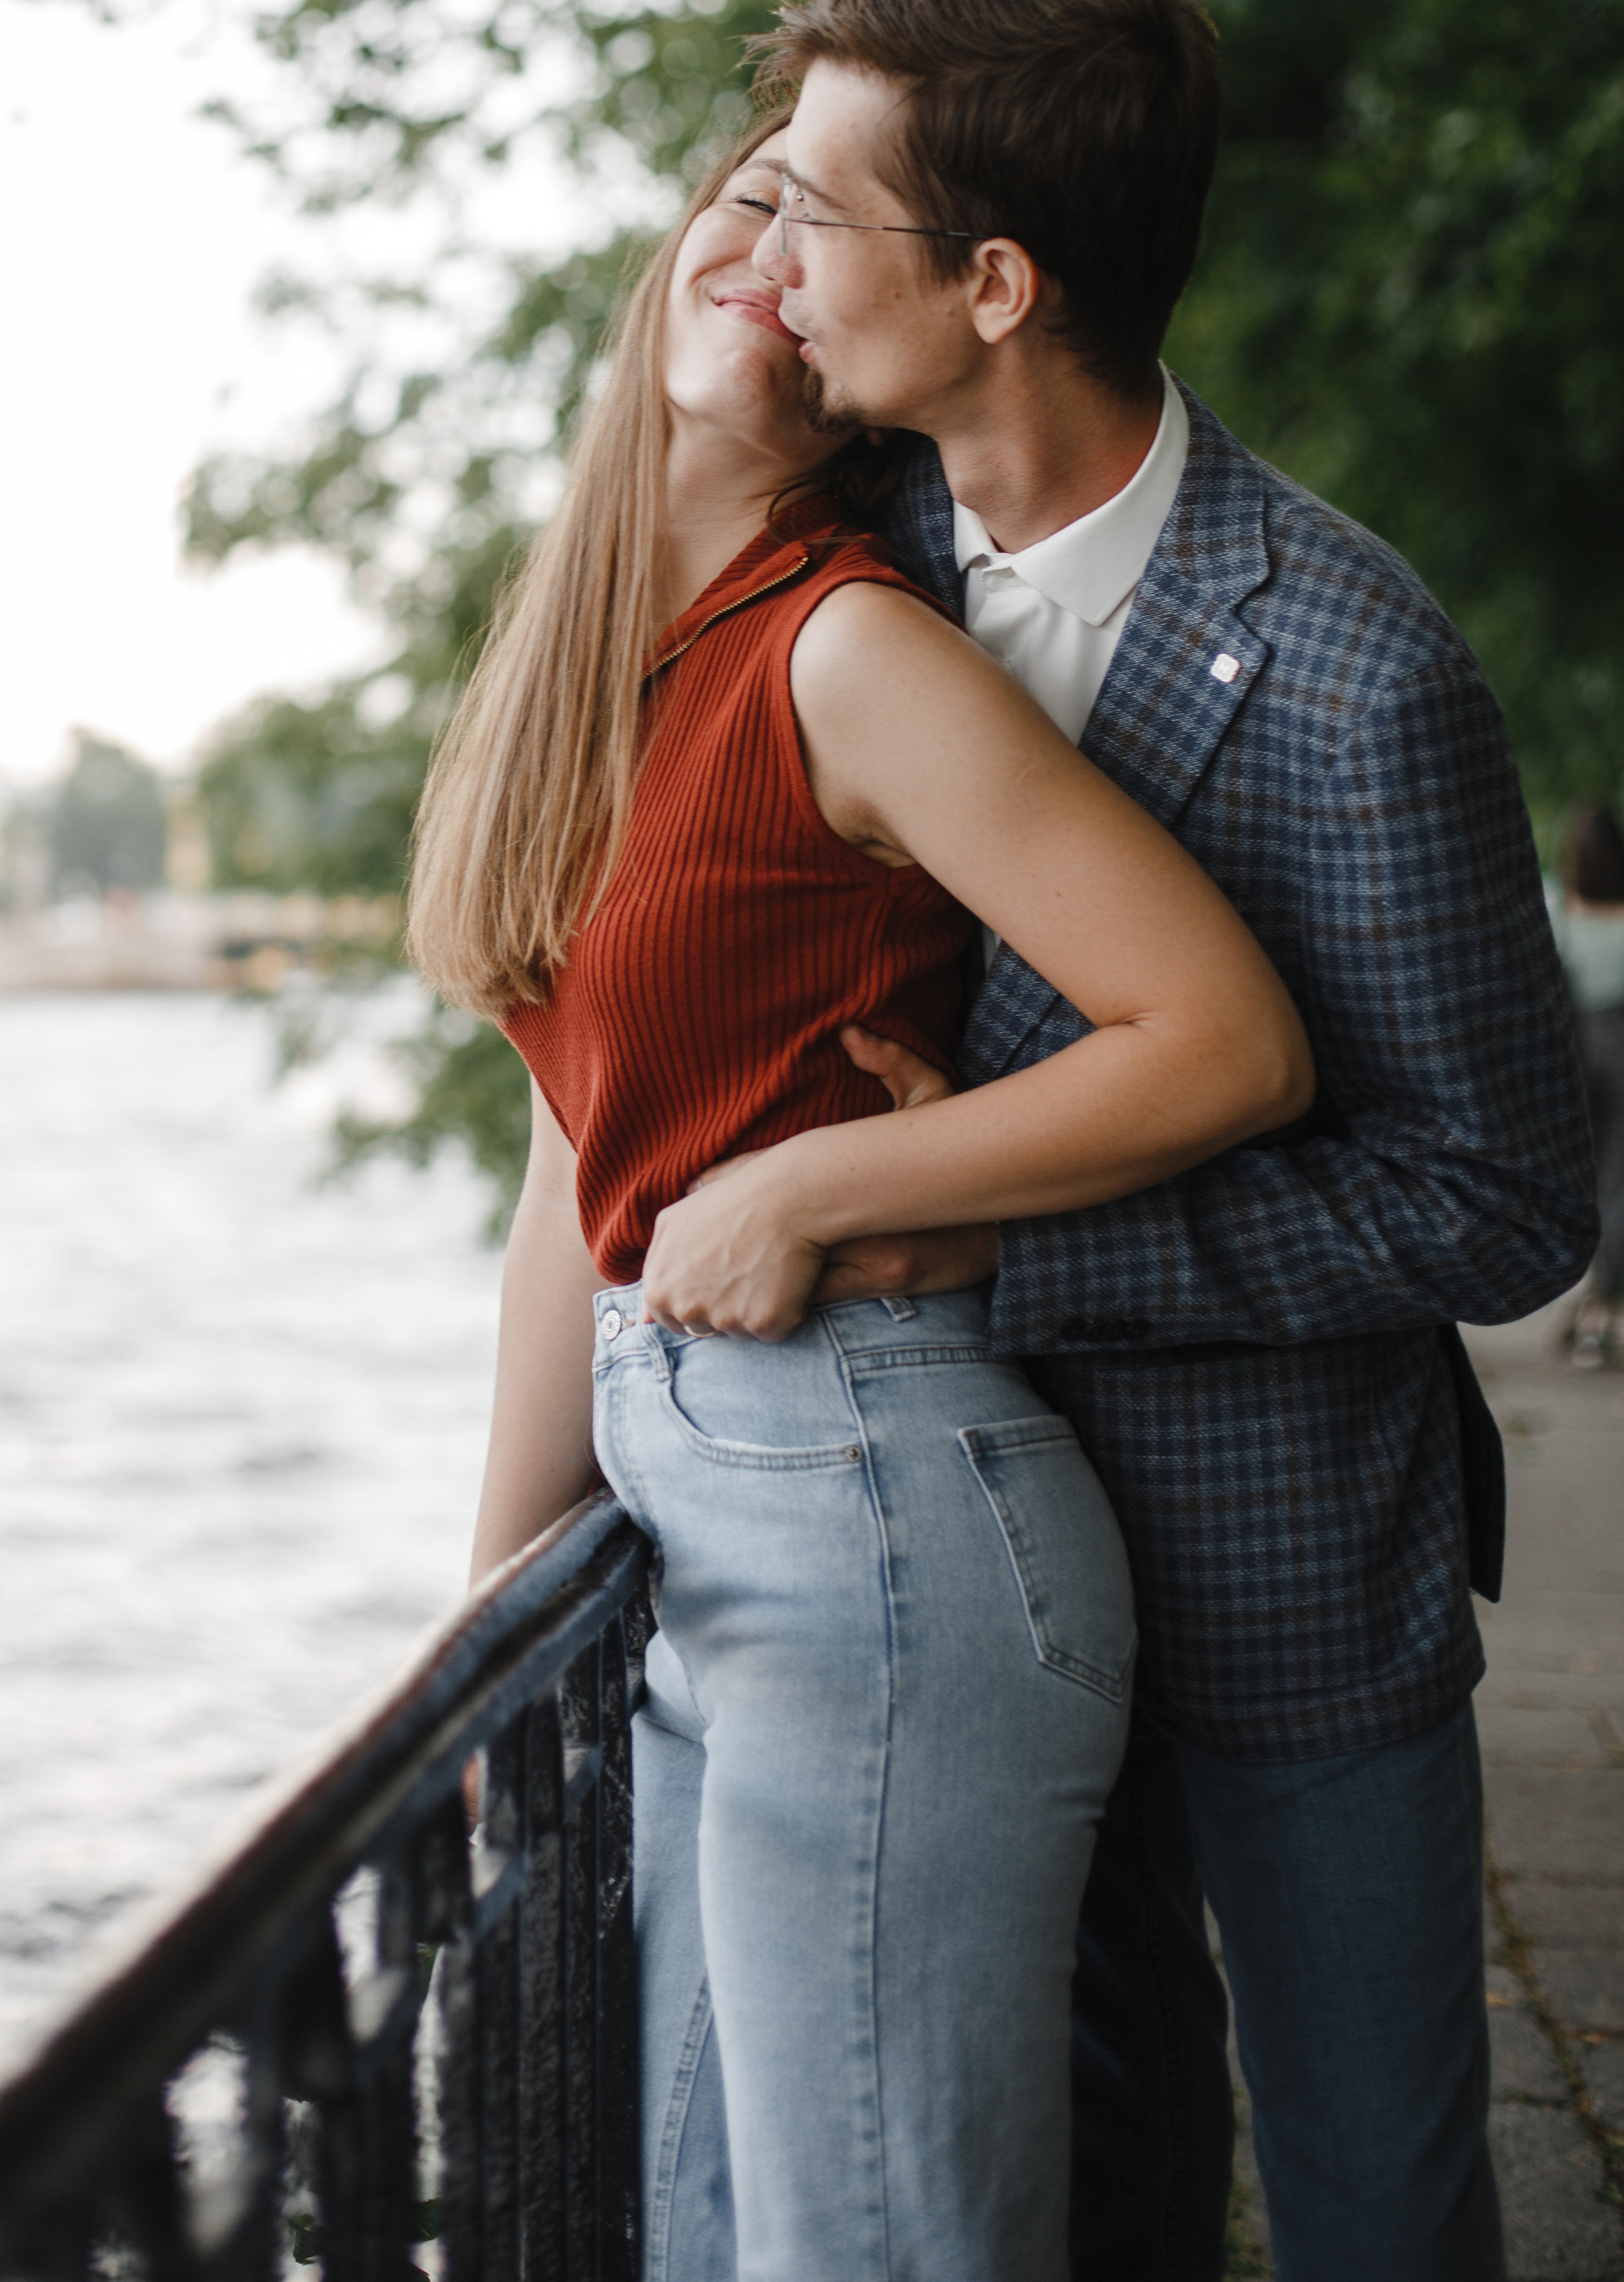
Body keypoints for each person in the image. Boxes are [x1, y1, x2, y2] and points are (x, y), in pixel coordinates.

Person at [743, 0, 1594, 2282]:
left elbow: (1506, 1205)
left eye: (815, 207)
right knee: (1089, 2179)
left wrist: (1019, 1238)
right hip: (955, 1576)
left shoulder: (1358, 669)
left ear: (997, 283)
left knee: (1376, 2196)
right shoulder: (830, 584)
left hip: (1291, 1580)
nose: (764, 257)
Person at [410, 123, 1314, 2282]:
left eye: (814, 227)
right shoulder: (596, 678)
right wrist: (488, 1597)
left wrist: (817, 1177)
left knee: (872, 2246)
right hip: (711, 1521)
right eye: (742, 196)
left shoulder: (840, 648)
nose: (762, 247)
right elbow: (579, 1154)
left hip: (872, 1524)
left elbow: (1220, 1034)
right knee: (715, 2227)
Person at [1550, 804, 1624, 1368]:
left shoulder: (1558, 908)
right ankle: (1599, 1308)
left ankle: (1579, 1299)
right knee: (1617, 1185)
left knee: (1574, 1182)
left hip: (1571, 1058)